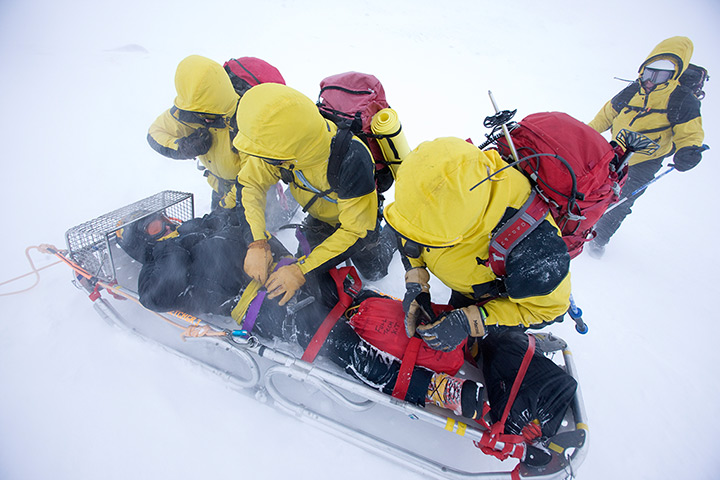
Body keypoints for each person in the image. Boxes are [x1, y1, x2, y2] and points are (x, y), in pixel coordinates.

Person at [116, 207, 484, 421]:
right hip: (268, 308)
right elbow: (158, 294)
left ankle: (454, 333)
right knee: (342, 344)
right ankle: (436, 389)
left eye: (162, 219)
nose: (165, 225)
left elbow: (239, 221)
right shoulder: (158, 265)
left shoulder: (192, 229)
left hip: (290, 273)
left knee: (364, 302)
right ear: (145, 243)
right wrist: (167, 246)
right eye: (154, 227)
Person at [383, 137, 572, 353]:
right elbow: (411, 226)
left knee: (490, 349)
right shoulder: (436, 171)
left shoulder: (536, 252)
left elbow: (549, 310)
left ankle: (516, 344)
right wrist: (416, 281)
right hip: (468, 276)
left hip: (490, 297)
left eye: (433, 240)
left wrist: (472, 320)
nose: (422, 243)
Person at [221, 82, 396, 300]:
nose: (266, 161)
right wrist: (257, 242)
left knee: (375, 270)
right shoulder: (276, 148)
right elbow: (250, 184)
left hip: (358, 220)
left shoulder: (352, 159)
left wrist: (302, 270)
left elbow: (357, 231)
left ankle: (393, 233)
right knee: (305, 273)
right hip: (320, 215)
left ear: (290, 150)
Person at [586, 36, 706, 258]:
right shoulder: (633, 90)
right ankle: (578, 227)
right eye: (648, 73)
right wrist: (583, 135)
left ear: (673, 75)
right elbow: (605, 117)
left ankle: (598, 241)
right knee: (590, 187)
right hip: (614, 149)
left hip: (645, 161)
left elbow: (690, 133)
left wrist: (688, 150)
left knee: (621, 200)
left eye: (660, 75)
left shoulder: (681, 99)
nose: (651, 80)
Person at [147, 55, 295, 221]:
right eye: (201, 115)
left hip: (254, 189)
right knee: (219, 230)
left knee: (268, 226)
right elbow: (156, 132)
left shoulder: (246, 118)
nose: (207, 120)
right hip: (218, 186)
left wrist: (226, 204)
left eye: (211, 115)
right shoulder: (189, 109)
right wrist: (182, 147)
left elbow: (251, 175)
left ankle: (285, 209)